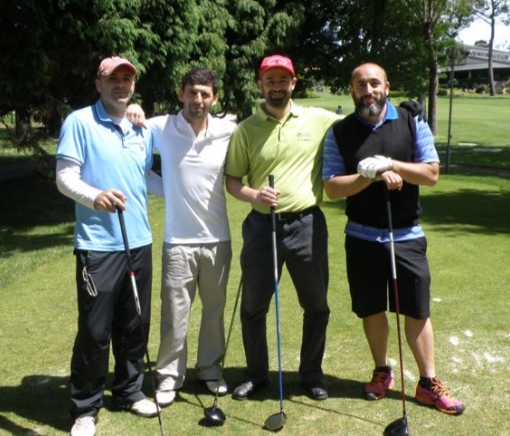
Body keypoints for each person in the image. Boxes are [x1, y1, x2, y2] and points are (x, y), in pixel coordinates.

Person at [321, 62, 465, 415]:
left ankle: (427, 383)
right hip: (361, 235)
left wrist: (391, 165)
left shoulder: (411, 120)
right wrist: (368, 175)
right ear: (351, 90)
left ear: (387, 85)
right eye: (360, 85)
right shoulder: (339, 132)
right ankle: (382, 370)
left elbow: (431, 174)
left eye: (374, 83)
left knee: (416, 310)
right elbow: (331, 187)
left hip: (406, 235)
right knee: (371, 308)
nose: (367, 90)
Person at [225, 54, 341, 401]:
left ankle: (311, 374)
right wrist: (255, 194)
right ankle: (256, 374)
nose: (276, 86)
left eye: (282, 80)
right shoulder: (246, 129)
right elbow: (232, 181)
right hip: (263, 226)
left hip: (307, 224)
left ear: (294, 83)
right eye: (269, 80)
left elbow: (360, 123)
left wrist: (400, 114)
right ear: (260, 85)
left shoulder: (318, 119)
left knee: (316, 305)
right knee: (253, 306)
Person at [55, 56, 159, 436]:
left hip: (139, 240)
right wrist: (95, 196)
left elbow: (144, 175)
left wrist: (185, 193)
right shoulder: (79, 122)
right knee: (95, 331)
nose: (121, 85)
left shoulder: (141, 129)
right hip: (98, 245)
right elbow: (65, 177)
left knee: (135, 324)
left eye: (127, 79)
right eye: (113, 79)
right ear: (98, 83)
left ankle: (129, 391)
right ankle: (85, 408)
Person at [144, 67, 236, 407]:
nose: (198, 99)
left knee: (214, 310)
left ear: (214, 97)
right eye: (192, 92)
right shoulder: (161, 126)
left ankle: (210, 369)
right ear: (181, 93)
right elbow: (133, 154)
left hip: (217, 239)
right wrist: (166, 189)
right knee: (175, 313)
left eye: (204, 93)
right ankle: (169, 376)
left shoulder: (228, 130)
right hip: (177, 241)